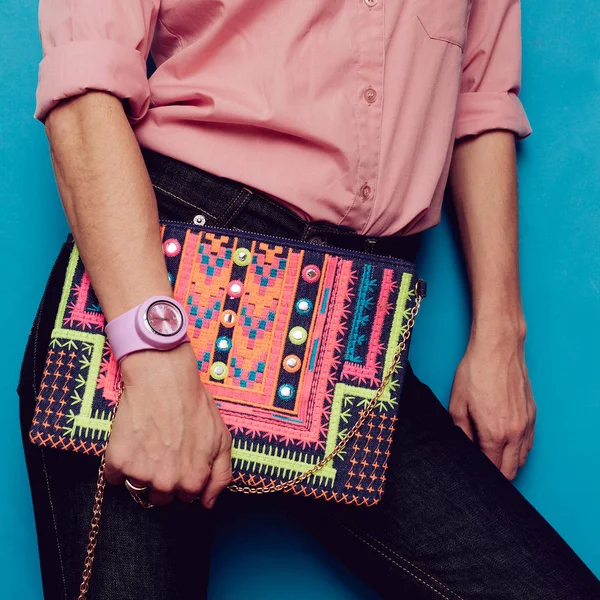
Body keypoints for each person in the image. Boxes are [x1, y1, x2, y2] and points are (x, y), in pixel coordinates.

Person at [17, 1, 600, 599]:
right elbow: (82, 86)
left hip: (356, 325)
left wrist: (501, 334)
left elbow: (478, 100)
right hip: (168, 274)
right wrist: (154, 356)